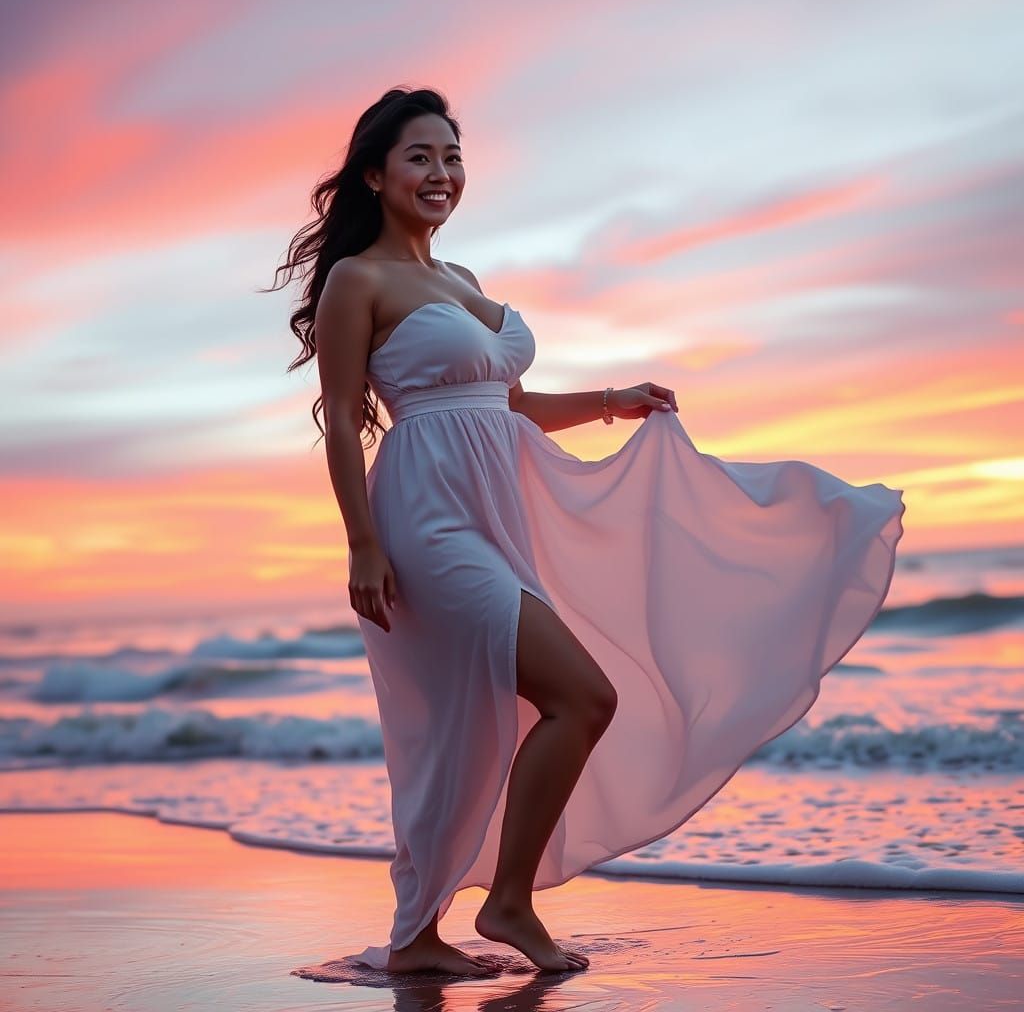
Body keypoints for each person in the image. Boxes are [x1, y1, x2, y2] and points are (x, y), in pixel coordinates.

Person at [269, 87, 905, 978]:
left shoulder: (464, 282)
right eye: (419, 157)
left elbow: (509, 404)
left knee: (474, 728)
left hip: (495, 514)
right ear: (375, 175)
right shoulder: (358, 280)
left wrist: (611, 400)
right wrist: (363, 544)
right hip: (424, 520)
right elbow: (340, 418)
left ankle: (418, 937)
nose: (441, 172)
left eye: (452, 156)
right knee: (582, 696)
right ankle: (506, 904)